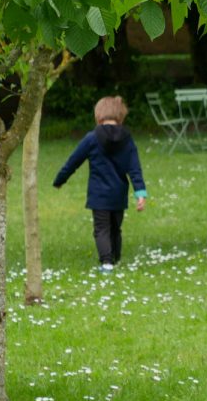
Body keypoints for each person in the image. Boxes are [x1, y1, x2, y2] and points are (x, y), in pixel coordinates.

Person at [53, 95, 147, 272]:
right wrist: (140, 192)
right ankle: (115, 258)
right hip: (119, 193)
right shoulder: (127, 139)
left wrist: (60, 179)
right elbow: (134, 167)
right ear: (120, 116)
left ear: (98, 116)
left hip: (99, 195)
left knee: (101, 229)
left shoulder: (92, 138)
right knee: (115, 228)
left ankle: (106, 262)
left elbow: (74, 160)